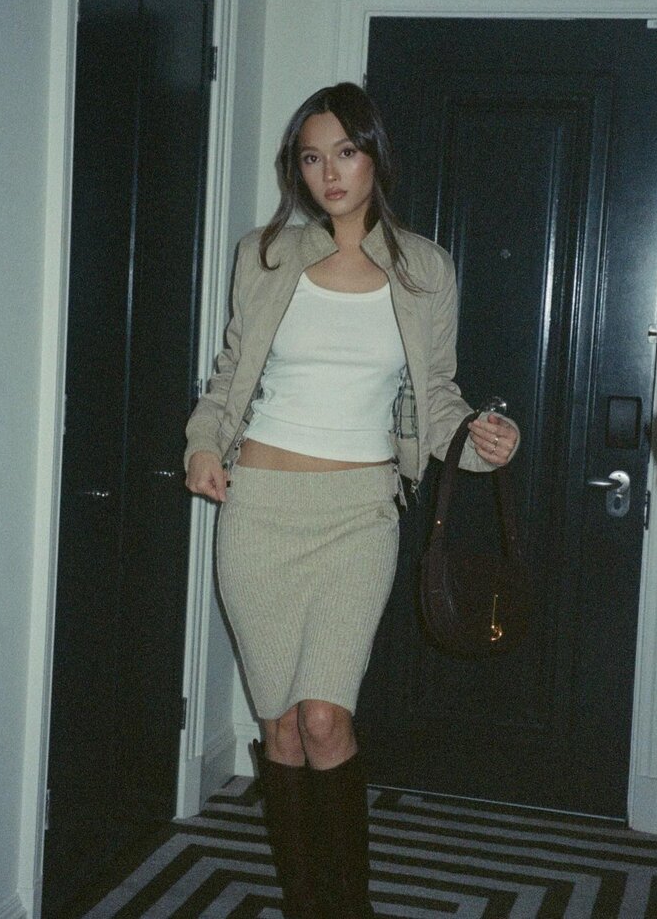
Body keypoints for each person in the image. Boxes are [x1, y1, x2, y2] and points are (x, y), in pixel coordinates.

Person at [184, 82, 519, 918]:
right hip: (260, 510)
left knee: (327, 720)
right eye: (311, 157)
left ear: (374, 157)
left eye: (344, 152)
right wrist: (201, 444)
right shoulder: (265, 256)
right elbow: (230, 376)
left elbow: (436, 397)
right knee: (281, 728)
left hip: (360, 515)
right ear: (296, 169)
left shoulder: (424, 269)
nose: (329, 173)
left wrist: (483, 440)